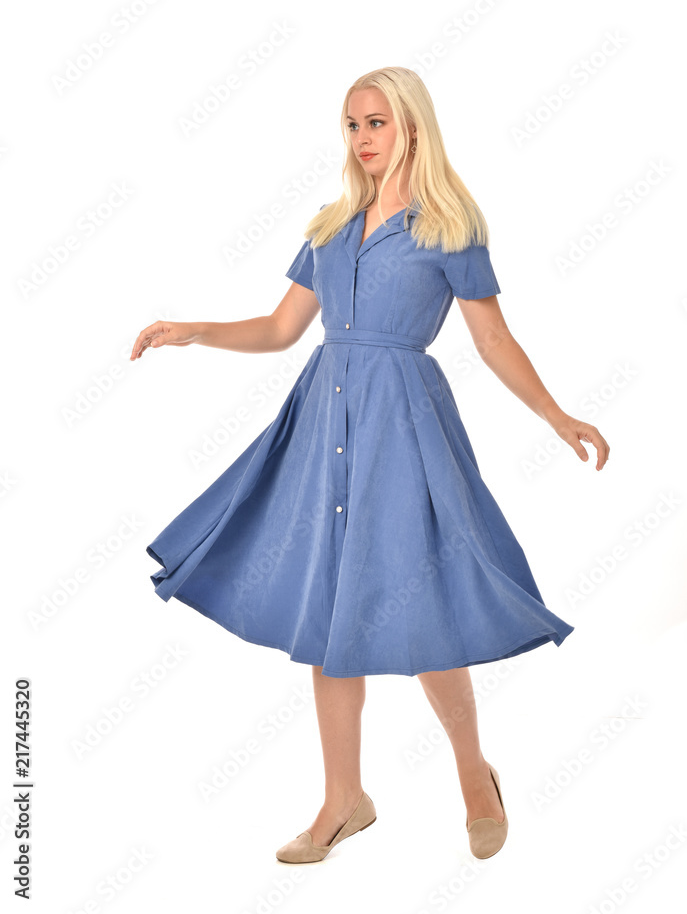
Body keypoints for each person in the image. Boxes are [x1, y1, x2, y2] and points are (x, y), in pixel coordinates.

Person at [130, 66, 610, 864]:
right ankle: (342, 800)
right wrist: (196, 330)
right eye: (352, 124)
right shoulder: (329, 226)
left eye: (377, 122)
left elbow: (491, 338)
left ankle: (472, 776)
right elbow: (283, 329)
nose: (363, 138)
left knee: (421, 607)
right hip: (324, 424)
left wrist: (555, 415)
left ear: (412, 128)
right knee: (326, 609)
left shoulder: (449, 226)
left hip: (404, 427)